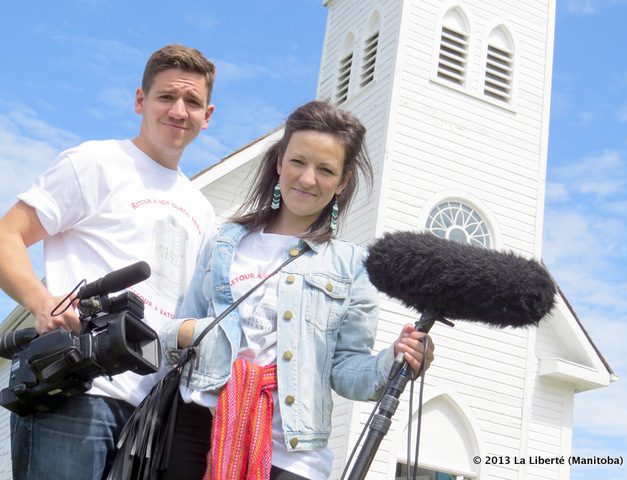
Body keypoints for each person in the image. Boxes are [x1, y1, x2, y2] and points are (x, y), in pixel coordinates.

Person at [159, 100, 435, 480]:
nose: (307, 179)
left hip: (292, 451)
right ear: (279, 163)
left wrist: (394, 358)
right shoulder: (225, 241)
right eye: (298, 162)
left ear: (342, 182)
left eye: (325, 170)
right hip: (197, 425)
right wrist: (194, 333)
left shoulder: (351, 266)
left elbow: (345, 370)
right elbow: (176, 330)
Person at [0, 44, 217, 479]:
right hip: (79, 389)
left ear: (207, 115)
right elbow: (8, 234)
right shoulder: (95, 163)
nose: (179, 110)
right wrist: (42, 301)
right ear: (140, 100)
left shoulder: (202, 209)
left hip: (152, 413)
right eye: (166, 97)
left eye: (192, 102)